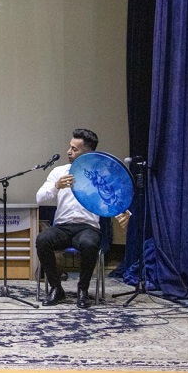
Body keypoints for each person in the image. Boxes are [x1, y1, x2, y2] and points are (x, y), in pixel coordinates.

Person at [36, 129, 130, 309]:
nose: (69, 152)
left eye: (75, 149)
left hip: (87, 228)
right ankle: (56, 288)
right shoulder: (60, 171)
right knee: (42, 240)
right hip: (62, 227)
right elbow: (39, 198)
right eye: (70, 147)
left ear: (88, 152)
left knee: (89, 243)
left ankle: (83, 289)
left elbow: (117, 199)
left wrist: (125, 213)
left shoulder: (101, 174)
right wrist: (56, 186)